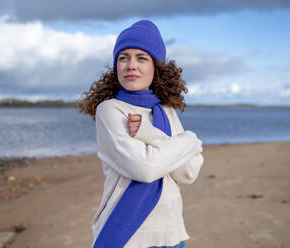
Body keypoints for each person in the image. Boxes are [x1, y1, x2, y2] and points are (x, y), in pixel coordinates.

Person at [79, 20, 204, 248]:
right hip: (127, 236)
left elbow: (189, 173)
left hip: (173, 235)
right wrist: (190, 141)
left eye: (141, 58)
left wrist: (150, 135)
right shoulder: (110, 110)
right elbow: (145, 169)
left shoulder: (166, 111)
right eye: (123, 57)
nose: (131, 65)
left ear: (156, 67)